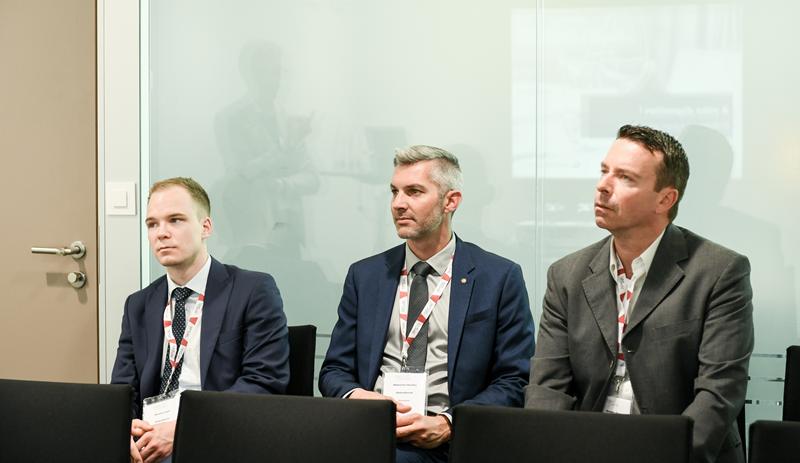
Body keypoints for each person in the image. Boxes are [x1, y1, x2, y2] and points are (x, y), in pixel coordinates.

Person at [525, 125, 754, 463]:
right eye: (604, 171)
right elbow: (548, 388)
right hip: (585, 448)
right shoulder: (567, 274)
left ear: (665, 199)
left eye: (625, 178)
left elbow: (718, 394)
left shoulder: (719, 272)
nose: (603, 186)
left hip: (677, 453)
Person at [319, 145, 536, 463]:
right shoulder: (365, 276)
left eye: (414, 192)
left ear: (451, 201)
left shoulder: (498, 277)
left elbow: (515, 379)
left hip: (449, 440)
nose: (398, 203)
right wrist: (358, 397)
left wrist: (448, 424)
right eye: (394, 191)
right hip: (370, 430)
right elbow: (334, 370)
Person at [111, 177, 290, 463]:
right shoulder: (139, 304)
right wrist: (125, 428)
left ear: (205, 227)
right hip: (149, 441)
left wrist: (184, 427)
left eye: (175, 220)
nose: (162, 233)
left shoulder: (253, 290)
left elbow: (264, 382)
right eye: (153, 224)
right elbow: (123, 391)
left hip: (219, 438)